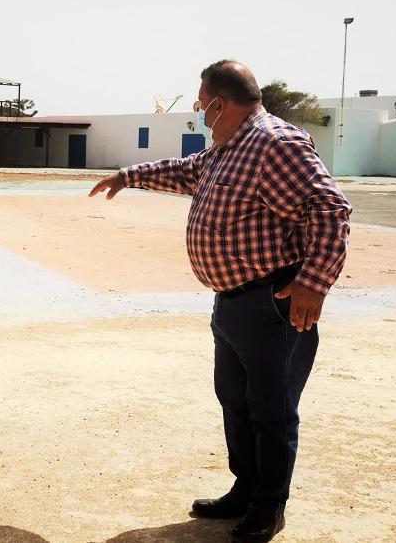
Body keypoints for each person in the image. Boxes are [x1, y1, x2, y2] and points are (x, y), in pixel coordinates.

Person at [90, 60, 351, 543]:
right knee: (235, 399)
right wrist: (129, 175)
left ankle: (268, 506)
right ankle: (245, 487)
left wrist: (315, 281)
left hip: (271, 302)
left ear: (220, 103)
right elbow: (185, 172)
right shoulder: (227, 149)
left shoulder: (277, 143)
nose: (199, 113)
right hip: (232, 304)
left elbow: (330, 208)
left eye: (201, 104)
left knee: (272, 409)